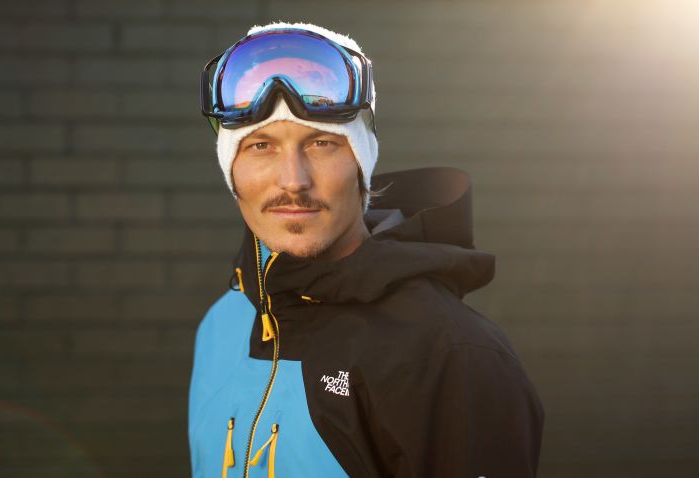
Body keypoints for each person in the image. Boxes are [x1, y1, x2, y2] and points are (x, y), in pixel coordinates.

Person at [188, 21, 544, 478]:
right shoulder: (223, 325)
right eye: (261, 146)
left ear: (361, 163)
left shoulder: (448, 355)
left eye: (321, 143)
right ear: (231, 171)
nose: (293, 180)